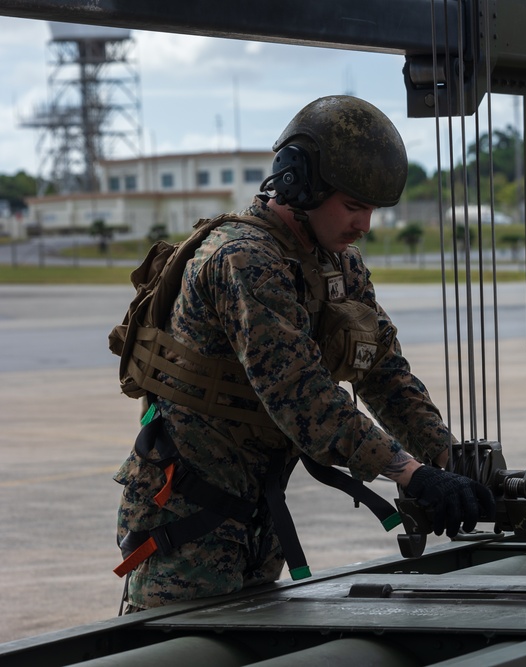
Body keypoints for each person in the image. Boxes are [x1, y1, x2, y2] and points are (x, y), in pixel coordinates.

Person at [112, 95, 494, 612]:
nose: (365, 224)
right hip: (186, 521)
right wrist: (411, 473)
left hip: (256, 518)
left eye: (373, 211)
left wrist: (450, 459)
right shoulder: (242, 260)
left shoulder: (340, 265)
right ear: (299, 185)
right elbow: (302, 398)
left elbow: (385, 374)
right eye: (354, 206)